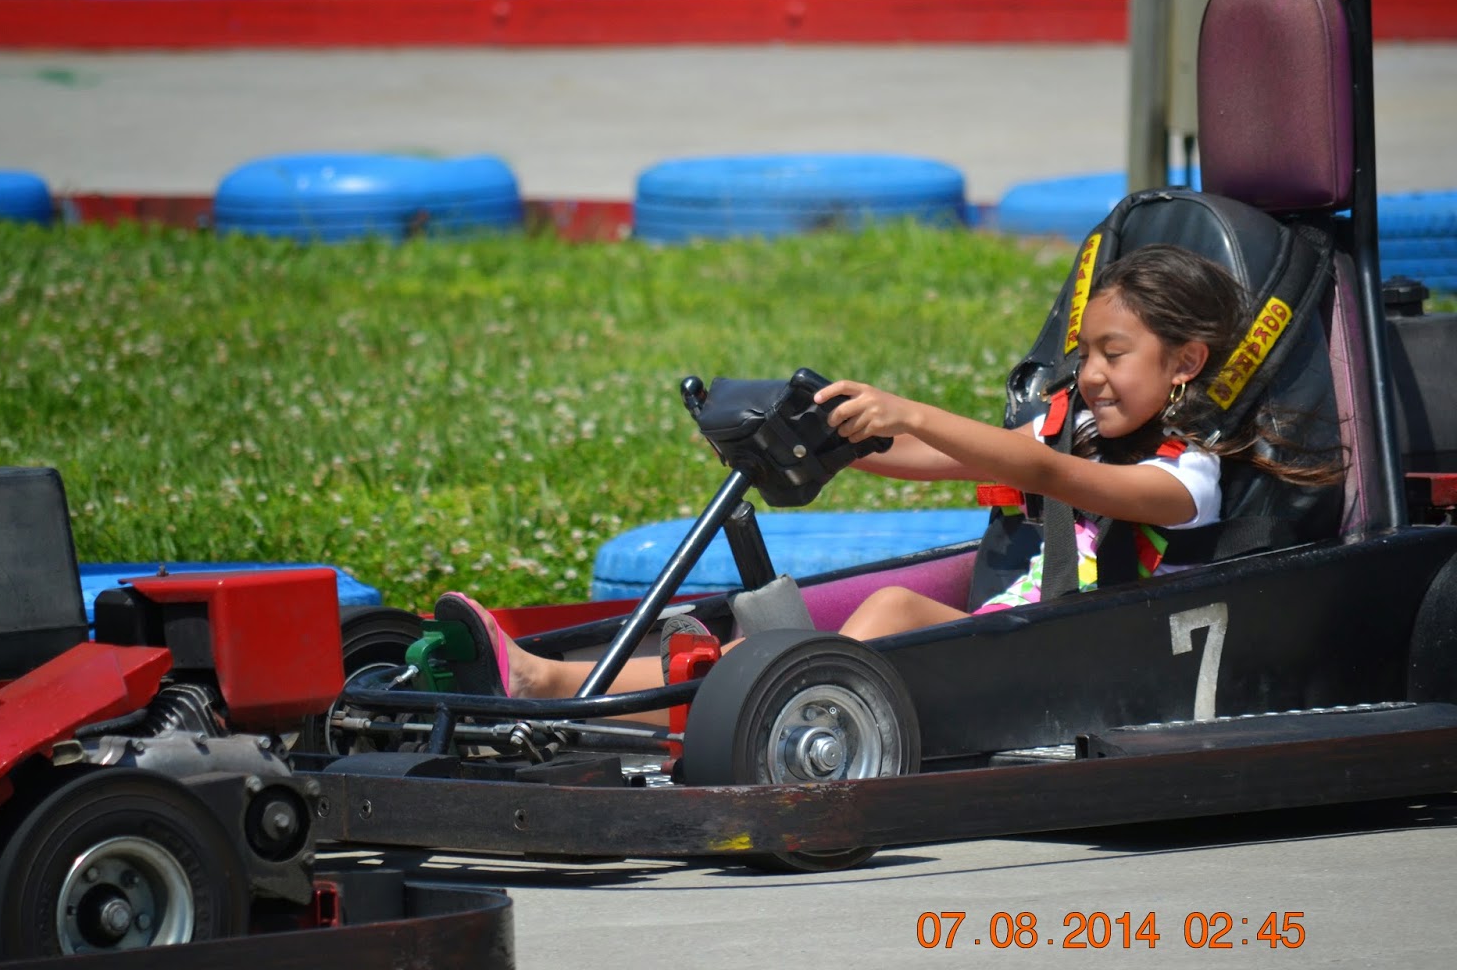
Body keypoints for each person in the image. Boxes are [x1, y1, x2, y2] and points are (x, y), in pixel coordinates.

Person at [434, 243, 1343, 712]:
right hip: (1006, 643)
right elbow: (954, 461)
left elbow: (1027, 461)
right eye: (1087, 353)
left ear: (1186, 359)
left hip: (1067, 666)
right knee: (777, 643)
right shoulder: (1085, 436)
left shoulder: (1186, 483)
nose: (1092, 374)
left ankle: (566, 691)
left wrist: (911, 406)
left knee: (873, 627)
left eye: (1116, 354)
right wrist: (844, 436)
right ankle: (555, 685)